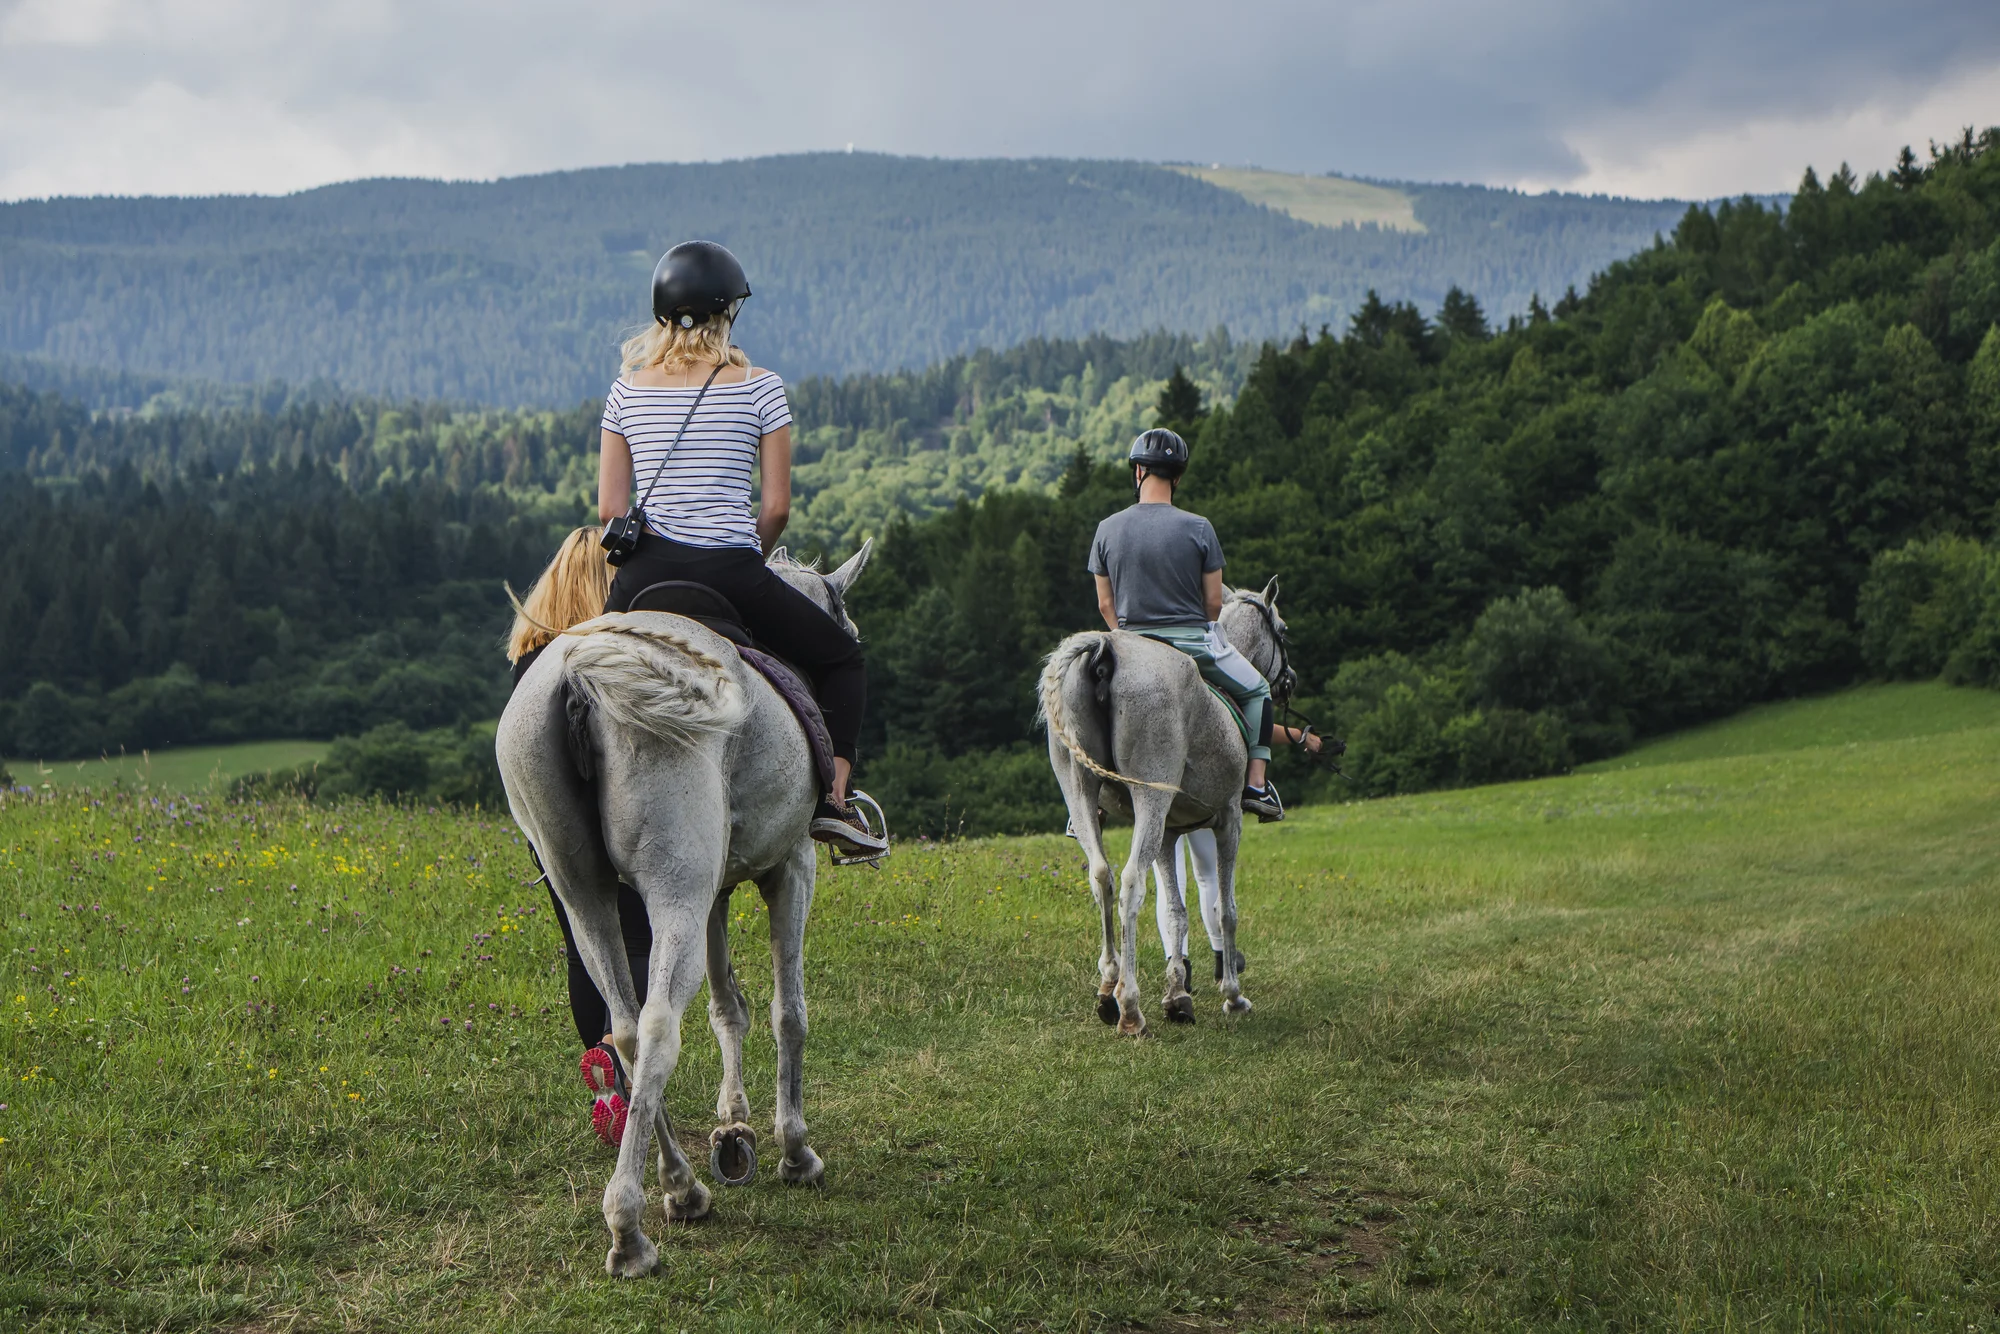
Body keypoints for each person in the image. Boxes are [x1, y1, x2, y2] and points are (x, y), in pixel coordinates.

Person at [595, 239, 885, 860]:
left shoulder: (625, 393)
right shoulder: (762, 388)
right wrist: (740, 553)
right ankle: (836, 803)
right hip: (730, 571)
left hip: (641, 576)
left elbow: (609, 512)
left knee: (567, 666)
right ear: (726, 311)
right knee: (844, 660)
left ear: (663, 314)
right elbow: (776, 507)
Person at [1086, 427, 1319, 820]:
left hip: (1129, 645)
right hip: (1190, 641)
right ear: (1176, 477)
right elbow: (1214, 602)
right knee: (1259, 690)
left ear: (1139, 471)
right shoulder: (1199, 528)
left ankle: (1085, 801)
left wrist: (1125, 637)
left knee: (1090, 702)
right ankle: (1257, 786)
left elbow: (1105, 603)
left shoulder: (1106, 529)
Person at [507, 526, 653, 1147]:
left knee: (583, 941)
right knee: (640, 937)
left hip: (548, 824)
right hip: (622, 811)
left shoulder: (526, 667)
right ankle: (634, 1065)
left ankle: (604, 1074)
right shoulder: (611, 661)